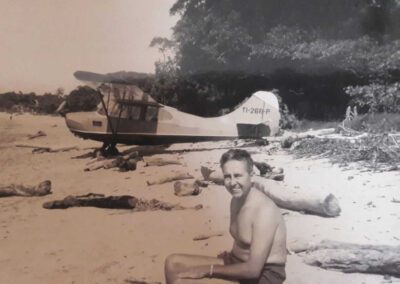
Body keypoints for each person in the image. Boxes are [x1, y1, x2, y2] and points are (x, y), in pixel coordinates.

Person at [165, 149, 287, 284]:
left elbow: (253, 270)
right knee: (173, 263)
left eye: (238, 175)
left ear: (251, 175)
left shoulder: (264, 211)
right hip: (235, 262)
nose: (232, 182)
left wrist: (208, 270)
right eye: (228, 176)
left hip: (264, 275)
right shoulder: (236, 199)